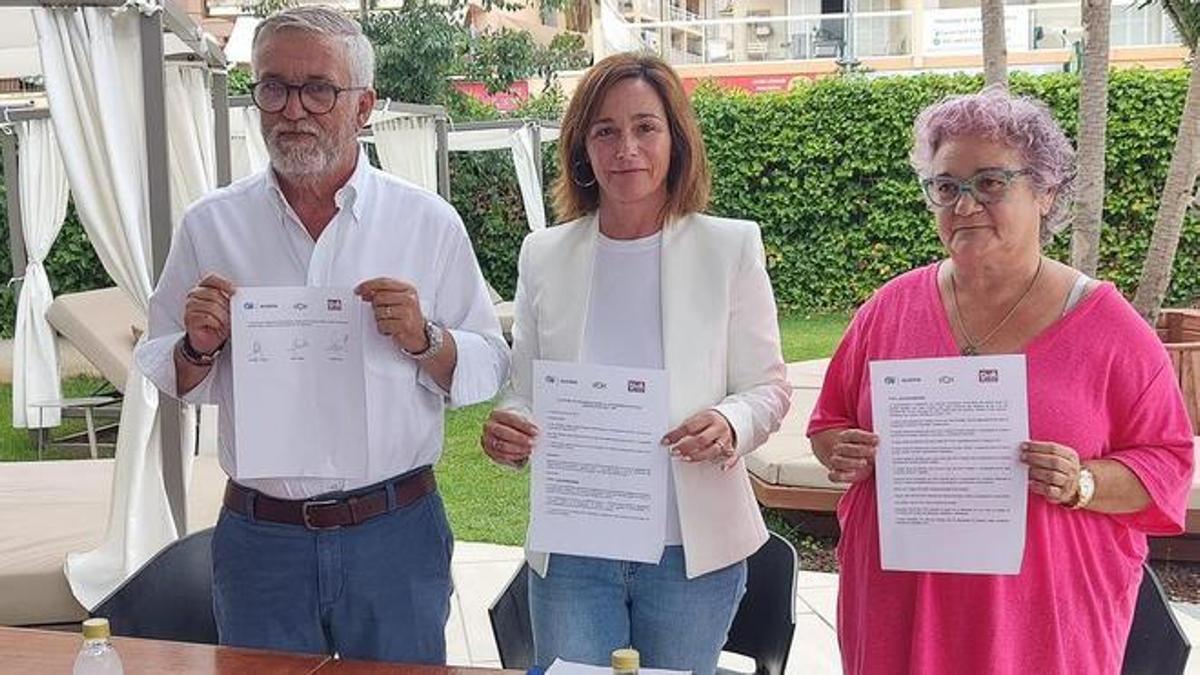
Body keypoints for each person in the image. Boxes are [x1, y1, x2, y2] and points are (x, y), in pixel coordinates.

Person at [134, 5, 508, 663]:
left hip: (395, 532)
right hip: (262, 538)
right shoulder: (210, 225)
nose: (293, 109)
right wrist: (198, 343)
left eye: (318, 89)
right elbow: (169, 365)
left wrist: (426, 338)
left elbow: (489, 360)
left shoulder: (427, 222)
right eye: (273, 87)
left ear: (363, 106)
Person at [807, 86, 1195, 675]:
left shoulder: (1110, 330)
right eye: (945, 187)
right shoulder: (888, 311)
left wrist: (1082, 481)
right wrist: (844, 449)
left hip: (1039, 622)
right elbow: (829, 424)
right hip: (901, 605)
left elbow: (1167, 463)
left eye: (990, 182)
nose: (963, 205)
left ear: (1045, 191)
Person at [478, 53, 791, 675]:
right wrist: (509, 426)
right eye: (605, 131)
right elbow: (525, 389)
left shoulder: (728, 246)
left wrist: (730, 421)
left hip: (690, 549)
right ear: (582, 149)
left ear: (675, 138)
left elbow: (767, 388)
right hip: (574, 545)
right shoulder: (545, 254)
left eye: (645, 127)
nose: (627, 147)